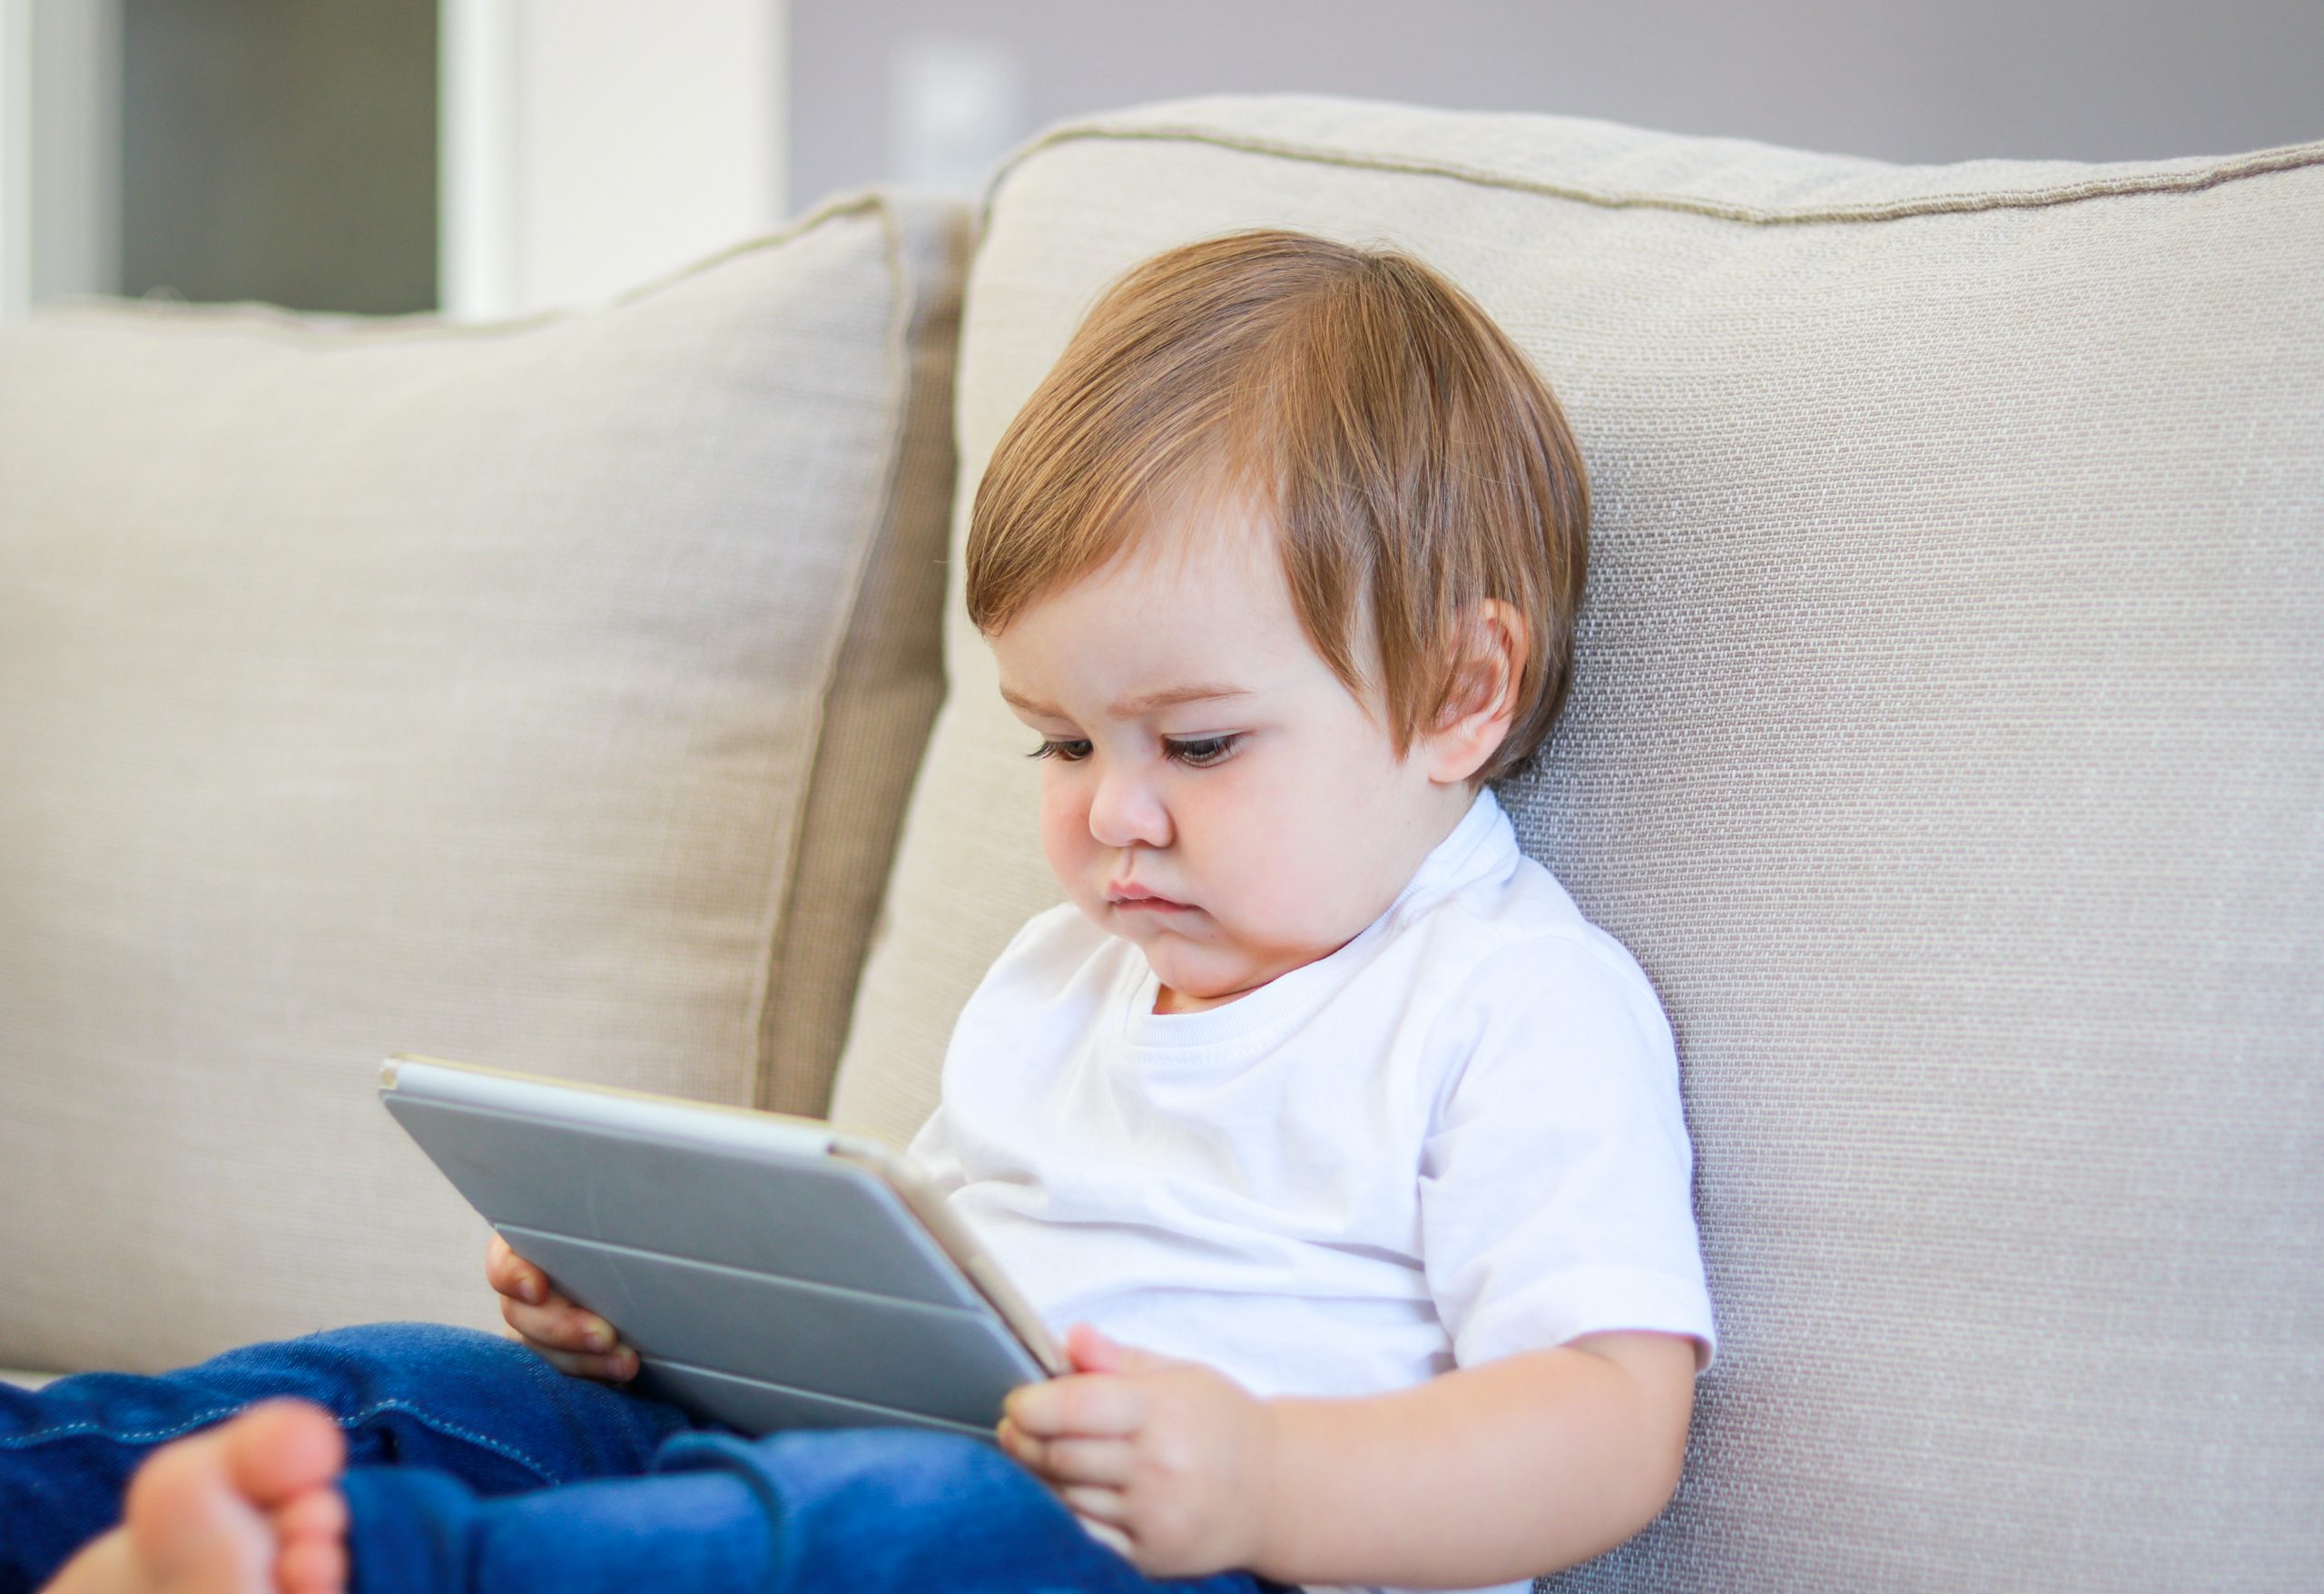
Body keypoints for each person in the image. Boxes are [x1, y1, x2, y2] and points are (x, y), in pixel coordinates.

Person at [6, 229, 1715, 1594]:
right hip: (844, 1473)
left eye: (1196, 741)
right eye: (1059, 740)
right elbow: (896, 1334)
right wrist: (655, 1321)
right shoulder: (1065, 978)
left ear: (1457, 691)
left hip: (1169, 1564)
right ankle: (74, 1504)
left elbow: (1609, 1425)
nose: (1114, 810)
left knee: (916, 1523)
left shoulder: (1508, 1001)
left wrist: (1265, 1480)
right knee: (419, 1384)